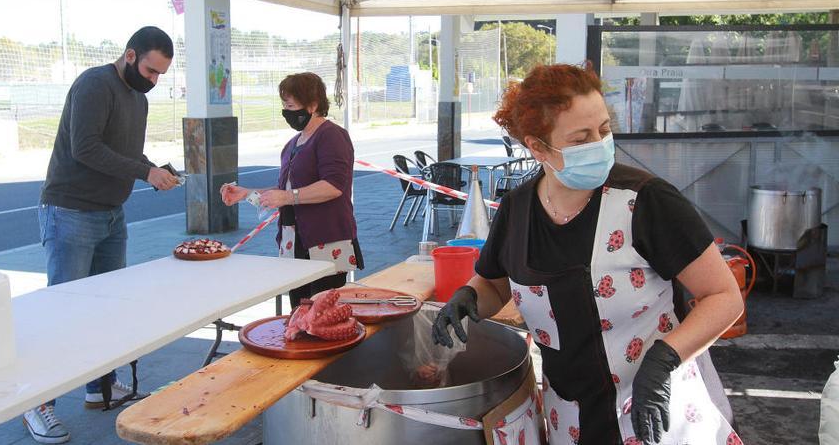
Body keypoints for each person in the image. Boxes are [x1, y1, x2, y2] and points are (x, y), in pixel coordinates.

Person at [432, 64, 744, 445]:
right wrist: (468, 297)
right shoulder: (516, 210)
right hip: (571, 416)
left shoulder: (647, 201)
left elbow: (724, 297)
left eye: (604, 130)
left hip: (653, 407)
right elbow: (494, 283)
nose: (599, 145)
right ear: (537, 147)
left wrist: (665, 360)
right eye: (581, 139)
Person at [26, 26, 179, 444]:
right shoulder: (95, 84)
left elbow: (127, 155)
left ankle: (100, 388)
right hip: (70, 211)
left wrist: (155, 170)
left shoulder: (138, 98)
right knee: (62, 311)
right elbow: (86, 148)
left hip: (111, 215)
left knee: (106, 308)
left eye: (161, 74)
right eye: (150, 70)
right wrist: (144, 171)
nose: (153, 80)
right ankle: (38, 404)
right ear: (130, 55)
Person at [222, 72, 362, 308]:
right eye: (284, 105)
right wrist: (246, 194)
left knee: (323, 313)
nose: (286, 111)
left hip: (325, 241)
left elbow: (334, 186)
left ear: (313, 105)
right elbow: (285, 190)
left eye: (290, 105)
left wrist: (288, 197)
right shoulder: (293, 143)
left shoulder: (331, 136)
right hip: (293, 241)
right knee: (299, 311)